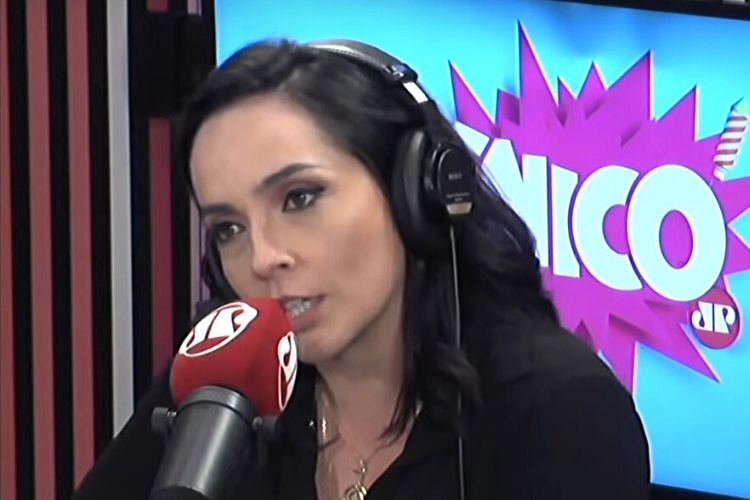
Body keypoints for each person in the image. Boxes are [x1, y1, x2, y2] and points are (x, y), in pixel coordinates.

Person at [73, 38, 650, 500]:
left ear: (414, 193)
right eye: (229, 228)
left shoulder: (560, 411)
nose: (262, 258)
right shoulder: (226, 381)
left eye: (300, 198)